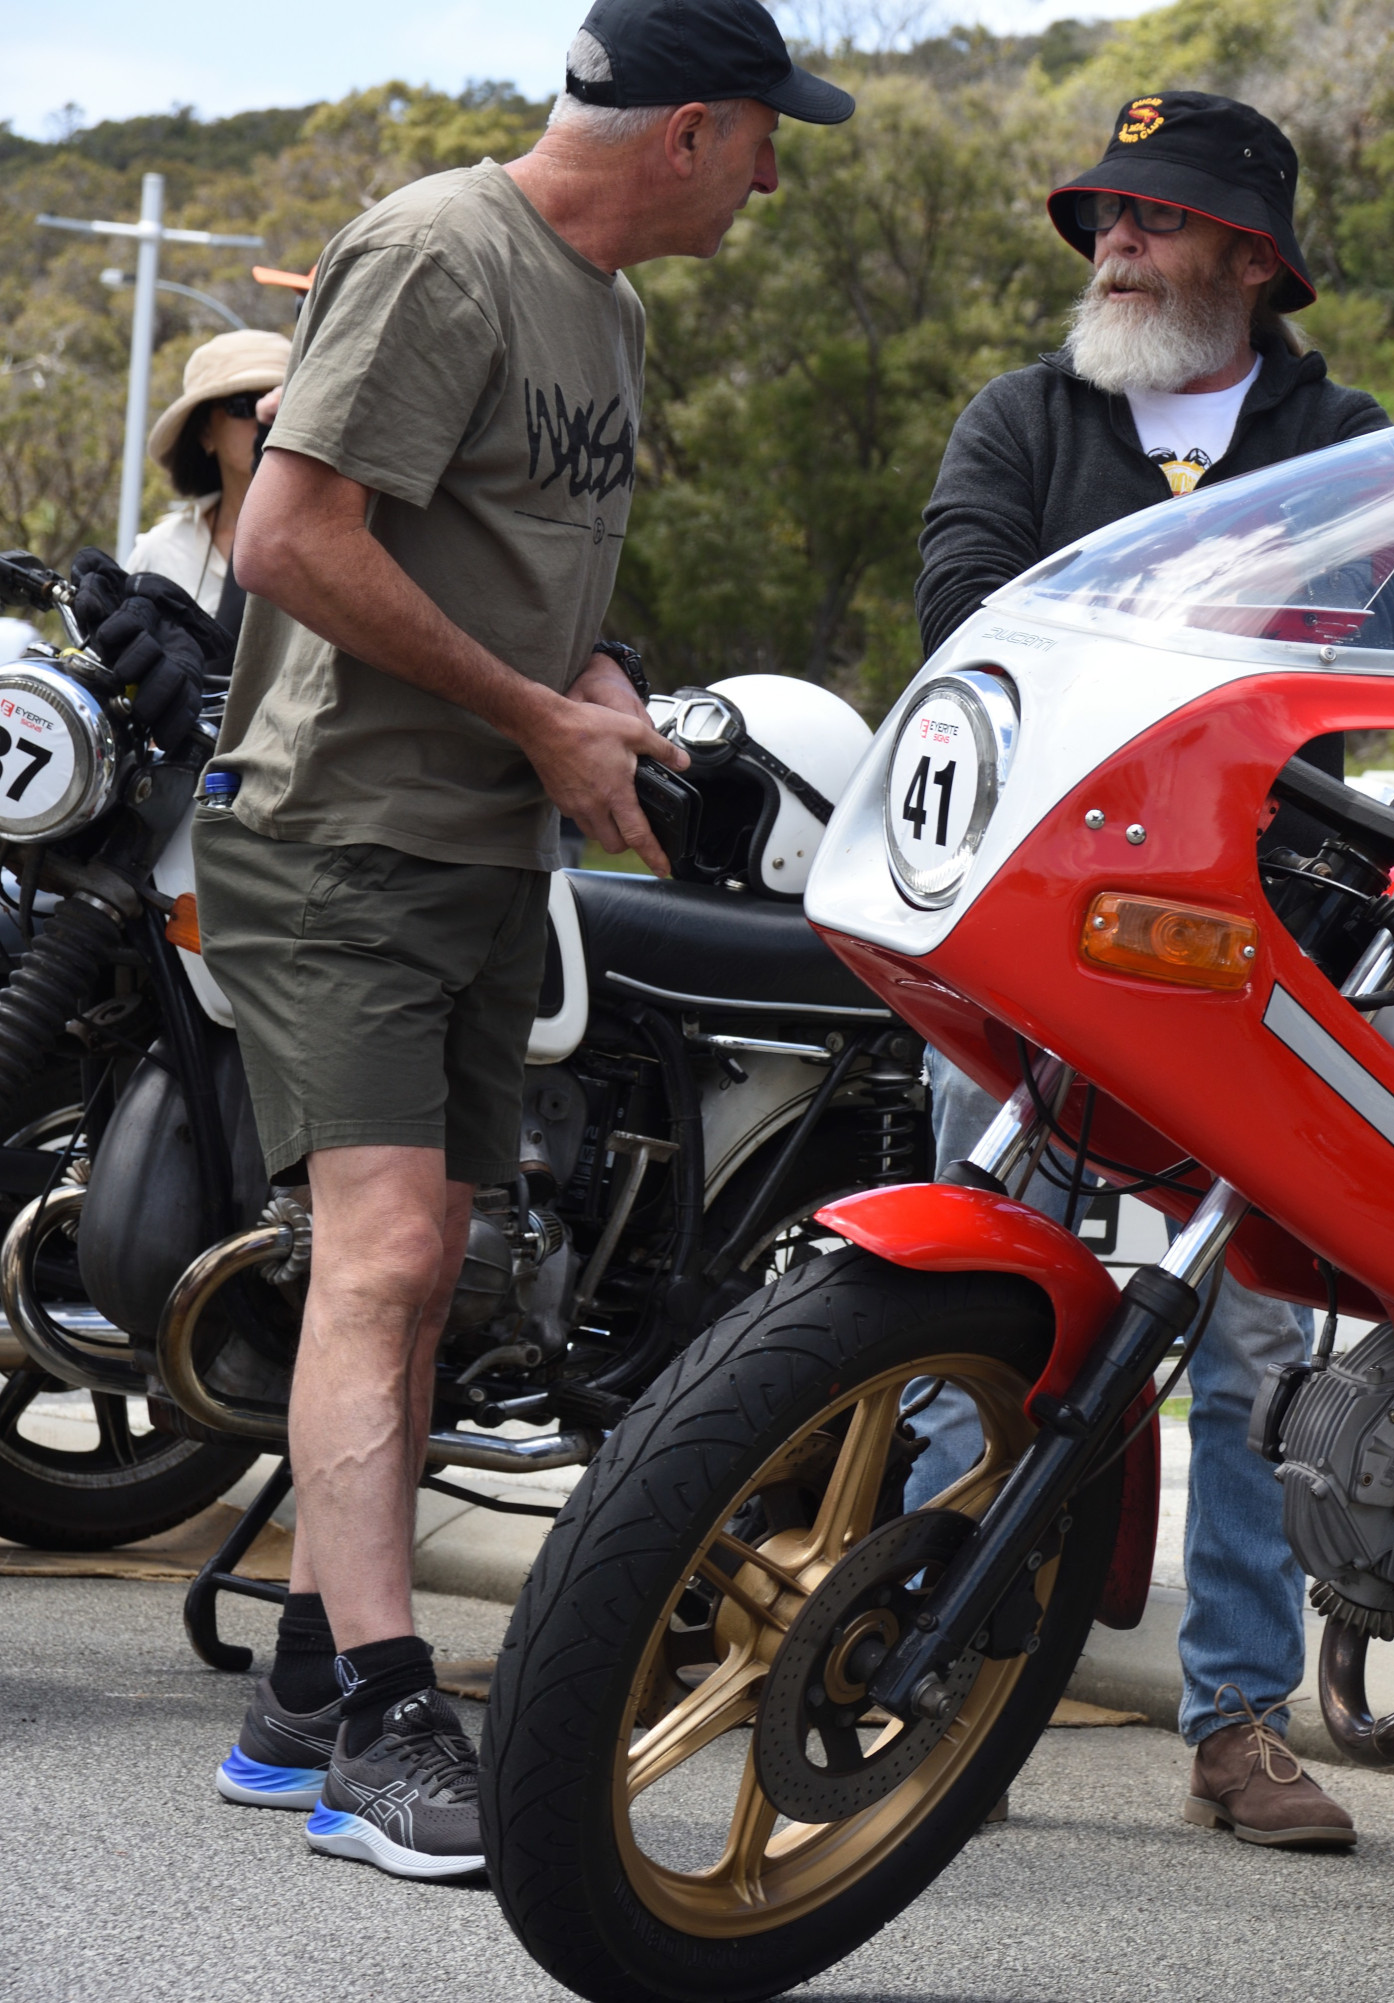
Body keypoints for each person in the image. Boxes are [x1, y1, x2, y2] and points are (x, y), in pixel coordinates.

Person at [198, 0, 853, 1882]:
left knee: (433, 1274)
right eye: (763, 138)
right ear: (687, 134)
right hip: (338, 831)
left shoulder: (610, 311)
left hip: (483, 848)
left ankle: (311, 1687)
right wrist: (535, 712)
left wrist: (605, 688)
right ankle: (391, 1732)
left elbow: (526, 560)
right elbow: (287, 538)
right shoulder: (437, 249)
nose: (775, 173)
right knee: (387, 1252)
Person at [910, 88, 1387, 1852]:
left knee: (1256, 1342)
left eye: (1155, 217)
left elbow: (1352, 676)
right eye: (1104, 212)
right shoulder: (1021, 414)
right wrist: (1208, 643)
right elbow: (966, 616)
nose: (1115, 239)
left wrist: (1139, 641)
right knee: (965, 1301)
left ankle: (1240, 1723)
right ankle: (923, 1666)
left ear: (1250, 258)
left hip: (1254, 944)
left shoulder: (1352, 440)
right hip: (1027, 930)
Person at [127, 328, 293, 627]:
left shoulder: (338, 539)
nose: (266, 416)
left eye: (285, 403)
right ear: (205, 433)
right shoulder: (160, 554)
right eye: (242, 405)